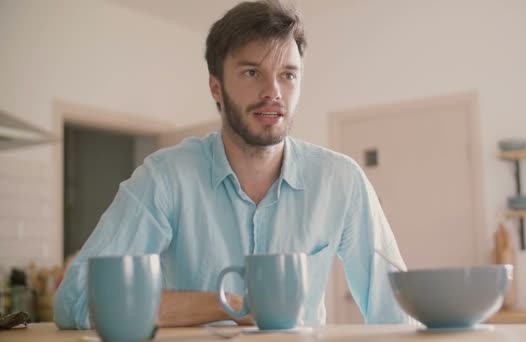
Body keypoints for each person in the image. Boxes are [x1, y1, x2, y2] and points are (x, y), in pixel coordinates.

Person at [54, 0, 409, 329]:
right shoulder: (164, 179)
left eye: (288, 74)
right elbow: (75, 300)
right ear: (216, 88)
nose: (274, 91)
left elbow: (396, 313)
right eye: (252, 73)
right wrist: (232, 306)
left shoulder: (341, 181)